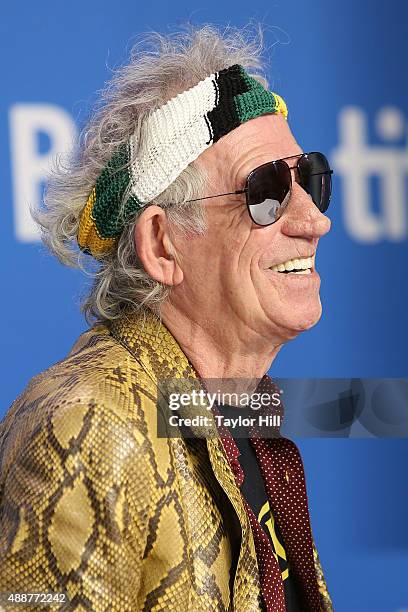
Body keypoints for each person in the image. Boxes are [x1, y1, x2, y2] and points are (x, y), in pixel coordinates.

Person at [0, 26, 333, 611]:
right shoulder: (85, 428)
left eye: (308, 179)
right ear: (163, 244)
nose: (314, 221)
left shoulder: (240, 409)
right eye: (266, 191)